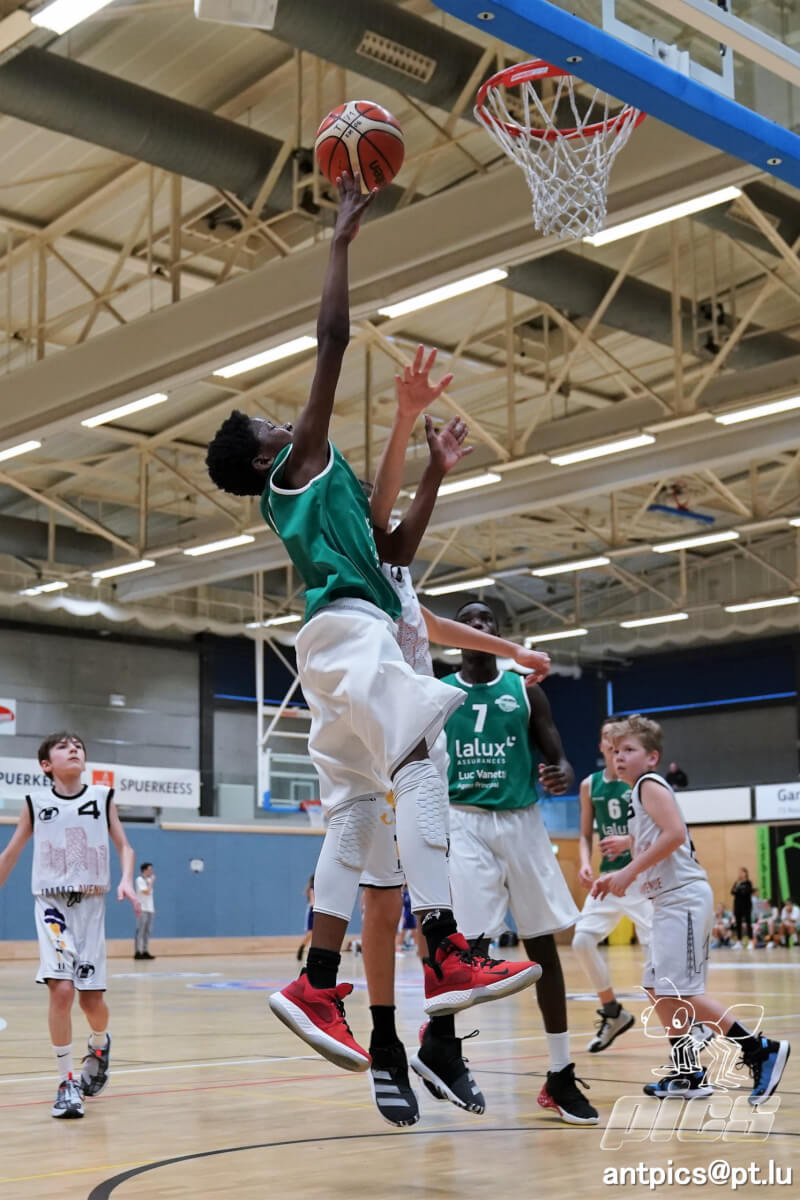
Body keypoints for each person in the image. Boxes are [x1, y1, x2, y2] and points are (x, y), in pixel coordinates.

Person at [205, 172, 541, 1074]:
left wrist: (431, 468)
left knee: (357, 806)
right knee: (421, 756)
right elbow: (332, 341)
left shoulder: (324, 490)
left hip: (338, 641)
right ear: (267, 455)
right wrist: (340, 242)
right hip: (351, 635)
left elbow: (395, 545)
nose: (287, 418)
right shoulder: (296, 466)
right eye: (272, 422)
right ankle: (446, 947)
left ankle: (317, 980)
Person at [358, 567, 550, 1126]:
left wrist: (516, 652)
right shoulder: (349, 564)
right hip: (373, 745)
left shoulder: (398, 576)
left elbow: (432, 624)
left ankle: (439, 1044)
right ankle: (385, 1045)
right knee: (382, 899)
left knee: (438, 902)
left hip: (424, 756)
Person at [440, 599, 598, 1125]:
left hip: (523, 820)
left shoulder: (526, 691)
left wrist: (562, 771)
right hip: (463, 818)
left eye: (487, 620)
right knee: (468, 948)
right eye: (469, 619)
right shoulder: (438, 690)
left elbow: (557, 756)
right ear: (456, 633)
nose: (478, 625)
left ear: (499, 633)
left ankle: (559, 1074)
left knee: (542, 946)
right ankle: (442, 1046)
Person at [593, 715, 790, 1105]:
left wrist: (627, 872)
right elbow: (660, 836)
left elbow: (674, 835)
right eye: (614, 751)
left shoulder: (649, 784)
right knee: (657, 989)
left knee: (680, 991)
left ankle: (760, 1050)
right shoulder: (639, 793)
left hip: (682, 899)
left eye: (629, 749)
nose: (619, 757)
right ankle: (687, 1073)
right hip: (667, 900)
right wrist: (624, 855)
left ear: (652, 757)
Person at [0, 732, 140, 1119]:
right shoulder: (35, 803)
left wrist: (127, 880)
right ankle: (66, 1082)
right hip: (52, 907)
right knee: (61, 991)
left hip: (91, 906)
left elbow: (124, 846)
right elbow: (11, 853)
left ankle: (99, 1042)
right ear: (46, 765)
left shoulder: (102, 797)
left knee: (90, 1001)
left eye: (78, 745)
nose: (74, 749)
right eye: (63, 747)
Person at [572, 716, 652, 1052]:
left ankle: (689, 1023)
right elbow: (584, 834)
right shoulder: (590, 785)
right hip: (608, 879)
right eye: (609, 737)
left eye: (621, 739)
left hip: (640, 878)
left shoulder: (640, 781)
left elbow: (659, 832)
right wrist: (585, 862)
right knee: (581, 941)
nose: (614, 743)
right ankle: (613, 1011)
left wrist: (628, 841)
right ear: (602, 745)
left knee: (656, 955)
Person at [134, 862, 156, 960]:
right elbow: (146, 892)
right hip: (142, 909)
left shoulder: (148, 880)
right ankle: (138, 951)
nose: (151, 871)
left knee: (147, 931)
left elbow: (150, 896)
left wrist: (152, 908)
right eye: (149, 869)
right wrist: (151, 882)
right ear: (144, 870)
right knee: (140, 930)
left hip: (149, 909)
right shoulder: (139, 880)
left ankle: (145, 950)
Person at [730, 867, 754, 949]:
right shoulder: (737, 883)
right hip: (738, 906)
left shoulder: (748, 883)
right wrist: (738, 889)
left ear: (746, 874)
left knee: (748, 923)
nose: (740, 874)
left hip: (746, 906)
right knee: (738, 924)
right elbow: (732, 892)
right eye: (739, 872)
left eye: (742, 872)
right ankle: (739, 942)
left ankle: (751, 941)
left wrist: (738, 890)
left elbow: (745, 892)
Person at [297, 875, 314, 962]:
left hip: (317, 911)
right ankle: (301, 949)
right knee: (309, 934)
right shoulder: (312, 889)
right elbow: (313, 903)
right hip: (312, 912)